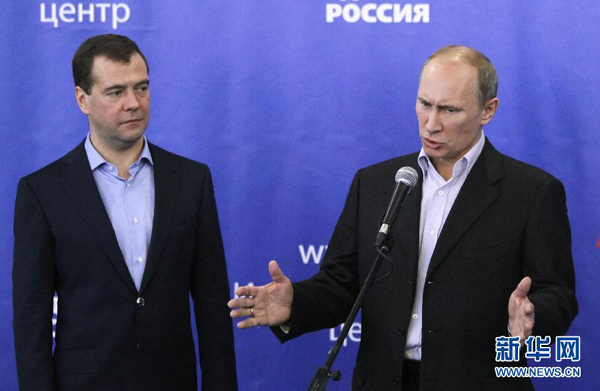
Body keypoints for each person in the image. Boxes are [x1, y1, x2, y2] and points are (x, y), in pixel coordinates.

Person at [228, 45, 577, 390]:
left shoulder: (532, 192)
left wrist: (533, 317)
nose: (431, 124)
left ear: (488, 110)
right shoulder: (376, 183)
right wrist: (295, 304)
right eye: (425, 104)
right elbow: (342, 284)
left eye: (449, 110)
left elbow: (558, 293)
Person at [13, 34, 237, 391]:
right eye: (116, 92)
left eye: (142, 88)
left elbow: (212, 303)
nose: (134, 103)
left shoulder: (192, 180)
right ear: (82, 99)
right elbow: (31, 318)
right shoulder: (43, 191)